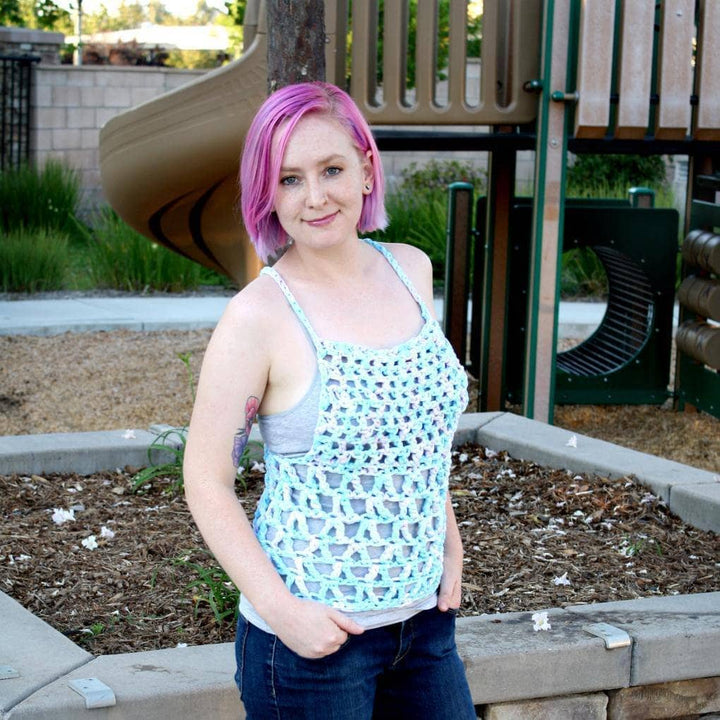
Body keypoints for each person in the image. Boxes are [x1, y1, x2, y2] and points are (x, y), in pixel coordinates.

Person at [184, 81, 475, 719]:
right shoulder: (258, 316)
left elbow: (418, 433)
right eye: (288, 179)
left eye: (331, 169)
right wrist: (287, 615)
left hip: (425, 628)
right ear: (267, 193)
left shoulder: (411, 270)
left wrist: (449, 544)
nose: (314, 197)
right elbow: (205, 481)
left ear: (367, 170)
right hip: (314, 645)